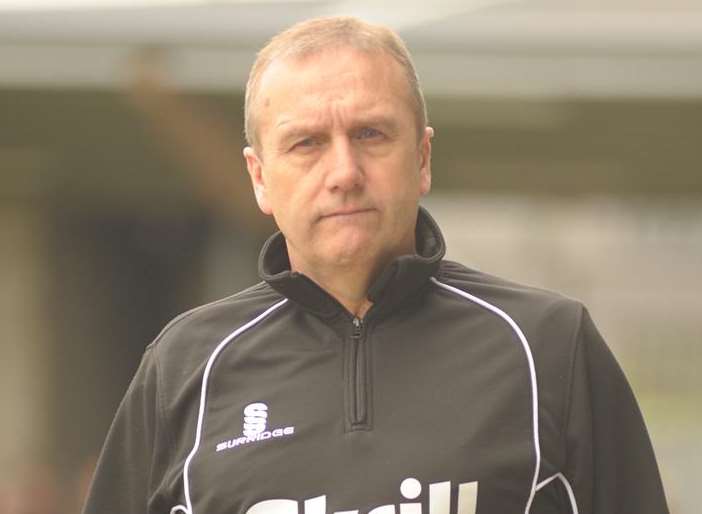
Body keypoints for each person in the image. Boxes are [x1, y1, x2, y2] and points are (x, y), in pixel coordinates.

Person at [82, 16, 669, 514]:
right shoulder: (183, 368)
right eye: (306, 143)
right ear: (260, 177)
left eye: (370, 133)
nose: (343, 173)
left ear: (422, 157)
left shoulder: (548, 346)